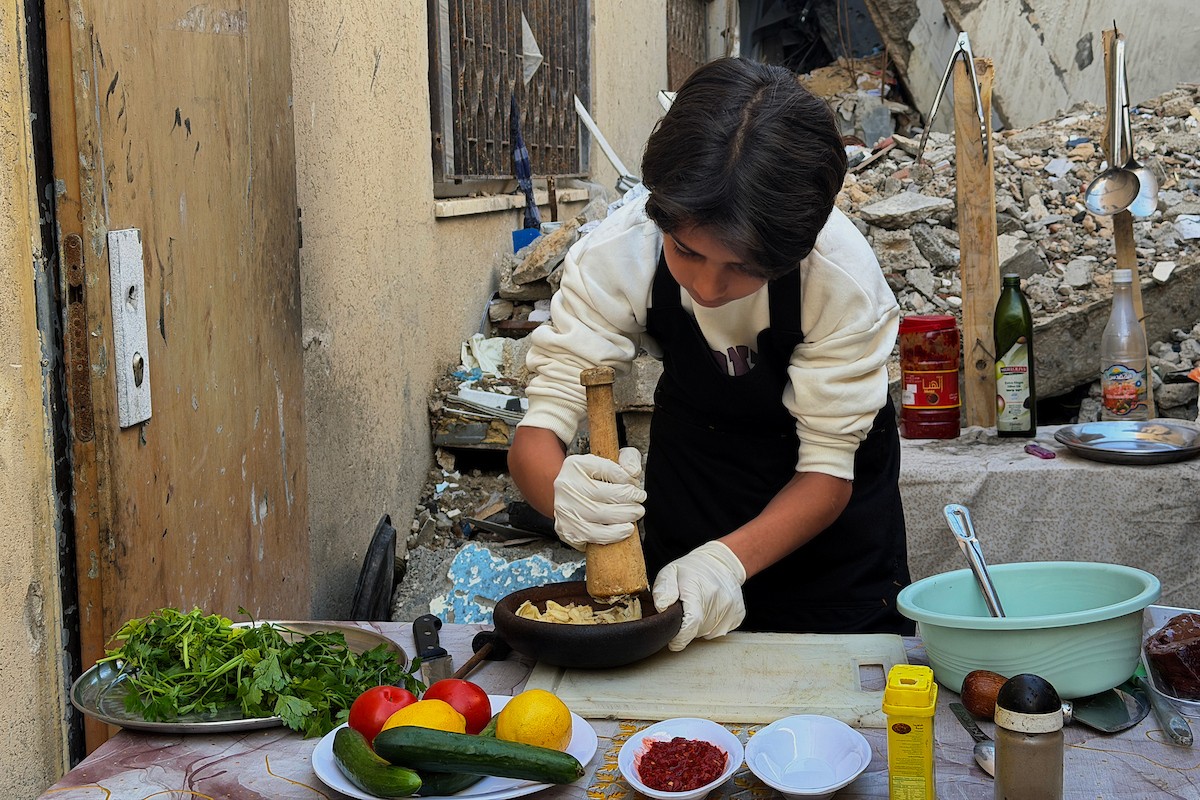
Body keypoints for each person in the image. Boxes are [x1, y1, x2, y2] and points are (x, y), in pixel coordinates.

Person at [507, 57, 912, 651]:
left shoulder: (842, 283)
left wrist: (725, 563)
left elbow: (827, 472)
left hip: (830, 538)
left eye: (745, 267)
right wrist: (562, 496)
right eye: (687, 252)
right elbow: (537, 433)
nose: (709, 288)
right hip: (695, 483)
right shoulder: (619, 256)